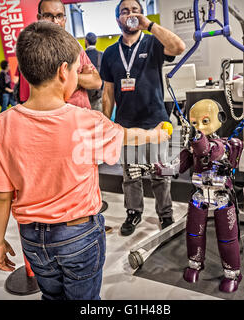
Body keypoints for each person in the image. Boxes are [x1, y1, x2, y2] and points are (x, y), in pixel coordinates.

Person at [0, 21, 170, 300]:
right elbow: (129, 136)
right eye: (76, 69)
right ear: (63, 71)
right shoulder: (86, 121)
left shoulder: (0, 125)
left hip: (32, 239)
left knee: (52, 297)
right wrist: (155, 135)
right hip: (78, 236)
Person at [127, 99, 244, 293]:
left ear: (220, 119)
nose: (199, 127)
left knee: (227, 238)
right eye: (195, 122)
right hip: (200, 195)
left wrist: (195, 136)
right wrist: (148, 169)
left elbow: (210, 151)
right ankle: (195, 264)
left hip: (222, 196)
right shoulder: (193, 149)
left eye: (205, 121)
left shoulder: (224, 146)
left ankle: (232, 273)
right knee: (193, 233)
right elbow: (174, 168)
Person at [100, 0, 186, 236]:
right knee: (131, 176)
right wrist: (105, 126)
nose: (130, 14)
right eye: (125, 11)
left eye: (136, 10)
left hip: (156, 122)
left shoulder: (153, 42)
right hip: (126, 126)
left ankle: (165, 214)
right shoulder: (109, 54)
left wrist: (149, 25)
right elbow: (107, 93)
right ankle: (134, 212)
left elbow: (179, 46)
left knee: (161, 174)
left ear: (142, 15)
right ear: (118, 19)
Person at [14, 0, 102, 109]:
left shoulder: (75, 47)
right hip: (50, 119)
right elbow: (36, 96)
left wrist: (65, 78)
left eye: (59, 16)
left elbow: (96, 82)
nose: (55, 22)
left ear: (65, 18)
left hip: (82, 116)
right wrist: (77, 79)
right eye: (48, 16)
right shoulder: (30, 51)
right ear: (39, 17)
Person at [85, 32, 104, 111]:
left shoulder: (82, 56)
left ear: (86, 41)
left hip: (85, 96)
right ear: (96, 41)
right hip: (99, 95)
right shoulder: (102, 55)